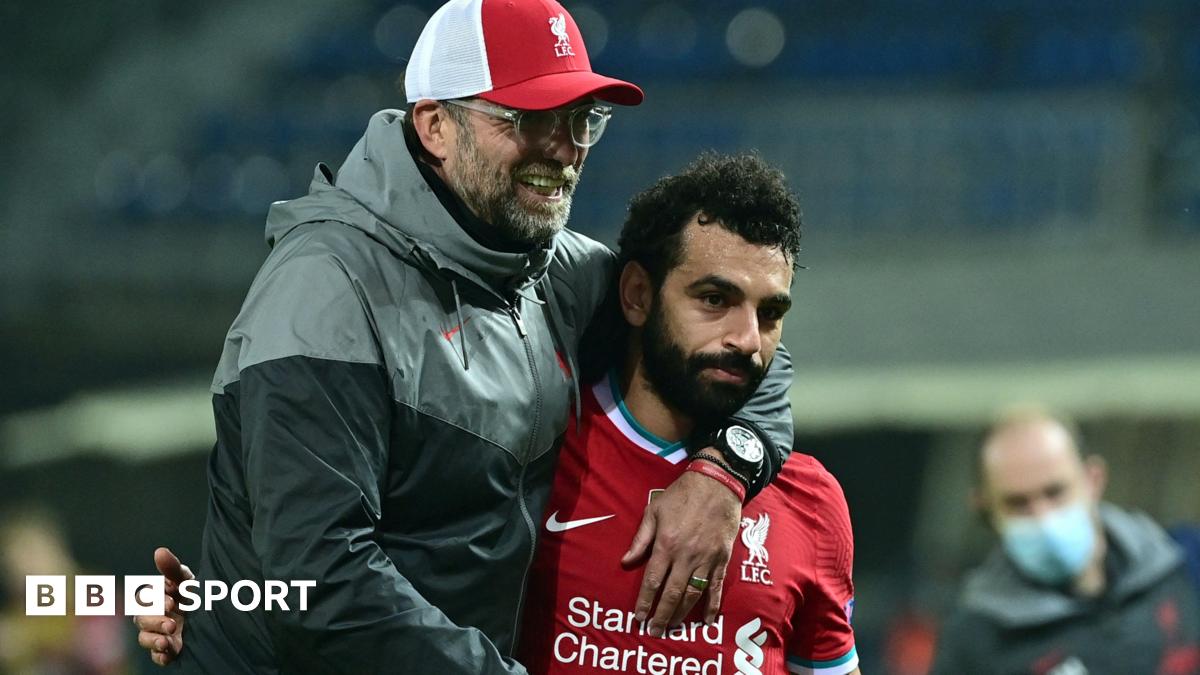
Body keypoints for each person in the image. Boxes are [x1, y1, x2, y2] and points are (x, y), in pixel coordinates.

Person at [135, 0, 796, 672]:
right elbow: (322, 584)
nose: (564, 148)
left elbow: (732, 348)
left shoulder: (551, 271)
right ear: (435, 126)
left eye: (580, 120)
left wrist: (725, 469)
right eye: (528, 118)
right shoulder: (326, 287)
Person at [518, 152, 860, 674]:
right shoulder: (537, 453)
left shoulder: (812, 500)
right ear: (637, 295)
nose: (747, 340)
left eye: (769, 313)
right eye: (714, 299)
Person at [931, 409, 1200, 675]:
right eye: (1018, 503)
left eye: (1055, 492)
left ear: (1093, 480)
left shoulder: (1181, 564)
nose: (1043, 517)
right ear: (985, 508)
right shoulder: (975, 639)